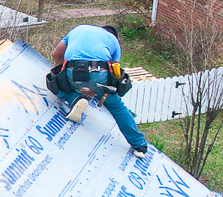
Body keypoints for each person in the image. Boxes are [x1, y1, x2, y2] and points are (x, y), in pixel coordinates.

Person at [48, 23, 151, 157]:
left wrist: (67, 81)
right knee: (117, 107)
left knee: (56, 84)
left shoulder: (78, 29)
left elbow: (56, 54)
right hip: (100, 73)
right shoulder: (113, 41)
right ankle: (139, 146)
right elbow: (115, 71)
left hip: (72, 71)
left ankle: (74, 98)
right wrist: (102, 90)